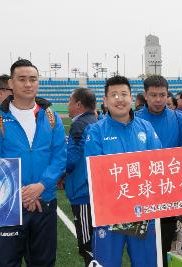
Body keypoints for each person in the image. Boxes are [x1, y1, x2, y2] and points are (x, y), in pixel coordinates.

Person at [0, 59, 66, 267]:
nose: (28, 84)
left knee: (44, 262)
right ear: (11, 83)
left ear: (38, 83)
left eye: (33, 79)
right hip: (9, 204)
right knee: (7, 262)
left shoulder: (51, 117)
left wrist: (41, 185)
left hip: (44, 201)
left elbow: (60, 157)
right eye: (22, 79)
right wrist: (19, 193)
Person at [84, 76, 162, 267]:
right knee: (107, 263)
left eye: (124, 94)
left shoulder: (146, 127)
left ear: (132, 98)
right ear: (105, 100)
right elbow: (94, 174)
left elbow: (159, 165)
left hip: (142, 211)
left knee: (145, 263)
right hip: (110, 212)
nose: (119, 99)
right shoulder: (96, 131)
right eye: (114, 95)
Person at [135, 75, 182, 267]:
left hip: (168, 190)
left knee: (165, 240)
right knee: (141, 243)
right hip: (142, 190)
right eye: (153, 95)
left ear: (167, 95)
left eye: (162, 95)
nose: (158, 99)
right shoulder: (135, 119)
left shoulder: (178, 118)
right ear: (145, 96)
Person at [65, 88, 97, 266]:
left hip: (82, 192)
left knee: (88, 246)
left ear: (78, 104)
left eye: (69, 101)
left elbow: (71, 160)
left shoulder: (79, 124)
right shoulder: (95, 121)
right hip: (91, 190)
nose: (68, 105)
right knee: (96, 242)